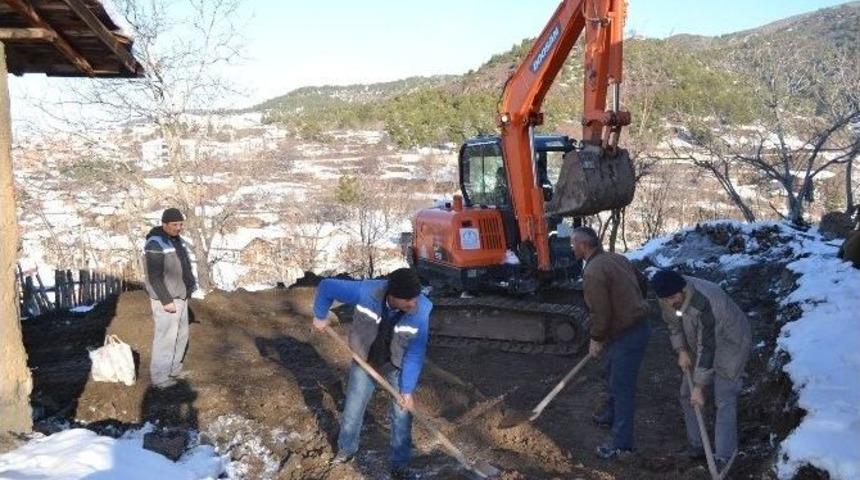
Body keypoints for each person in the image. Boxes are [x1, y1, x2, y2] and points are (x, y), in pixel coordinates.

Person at [312, 268, 431, 480]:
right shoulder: (367, 292)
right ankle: (346, 450)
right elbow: (326, 286)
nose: (413, 304)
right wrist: (320, 315)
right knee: (353, 409)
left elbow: (415, 353)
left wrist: (407, 390)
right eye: (408, 300)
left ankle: (400, 465)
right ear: (393, 296)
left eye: (415, 298)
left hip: (396, 365)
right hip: (364, 360)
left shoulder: (421, 311)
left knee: (402, 415)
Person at [650, 269, 752, 470]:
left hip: (731, 343)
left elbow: (709, 347)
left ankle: (724, 457)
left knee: (724, 397)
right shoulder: (666, 295)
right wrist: (681, 350)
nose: (670, 302)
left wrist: (699, 386)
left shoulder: (705, 301)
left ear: (682, 289)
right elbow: (673, 323)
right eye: (666, 299)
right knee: (686, 394)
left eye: (673, 297)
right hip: (700, 340)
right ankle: (698, 446)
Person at [570, 227, 651, 460]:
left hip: (629, 333)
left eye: (573, 243)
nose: (571, 247)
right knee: (612, 373)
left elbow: (600, 312)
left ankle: (621, 443)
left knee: (622, 387)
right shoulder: (617, 258)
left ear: (584, 246)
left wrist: (596, 338)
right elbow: (643, 283)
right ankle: (610, 415)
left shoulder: (593, 271)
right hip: (633, 327)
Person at [143, 208, 197, 389]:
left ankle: (174, 370)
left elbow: (183, 267)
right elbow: (154, 276)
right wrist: (166, 300)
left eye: (180, 224)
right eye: (175, 224)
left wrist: (188, 289)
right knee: (166, 337)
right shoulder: (155, 243)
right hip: (166, 298)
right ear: (164, 224)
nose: (178, 227)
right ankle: (160, 377)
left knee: (181, 336)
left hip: (180, 296)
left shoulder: (175, 240)